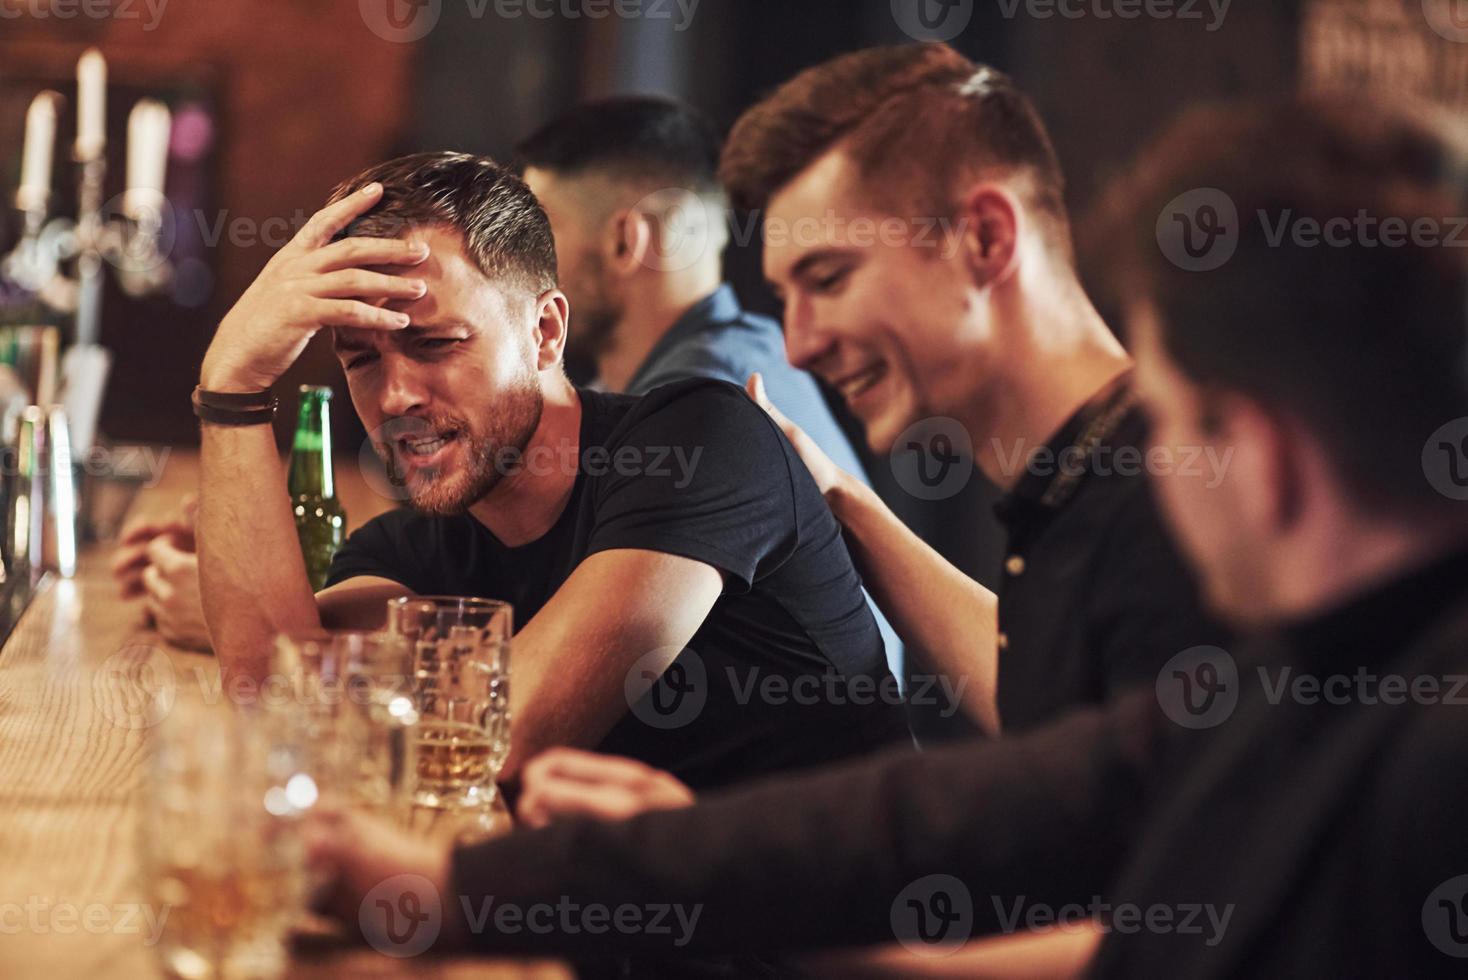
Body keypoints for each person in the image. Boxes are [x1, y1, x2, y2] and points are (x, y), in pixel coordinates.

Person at [308, 93, 1468, 977]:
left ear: (1259, 456)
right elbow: (968, 802)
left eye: (1169, 414)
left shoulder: (1414, 754)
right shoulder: (1322, 664)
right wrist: (504, 884)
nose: (796, 344)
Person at [192, 151, 909, 789]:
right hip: (615, 927)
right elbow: (272, 699)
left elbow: (503, 740)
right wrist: (233, 385)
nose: (397, 396)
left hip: (837, 933)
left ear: (545, 333)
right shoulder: (411, 551)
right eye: (362, 360)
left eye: (437, 344)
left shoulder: (699, 445)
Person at [515, 95, 904, 683]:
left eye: (540, 234)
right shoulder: (644, 379)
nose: (519, 265)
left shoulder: (704, 398)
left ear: (628, 241)